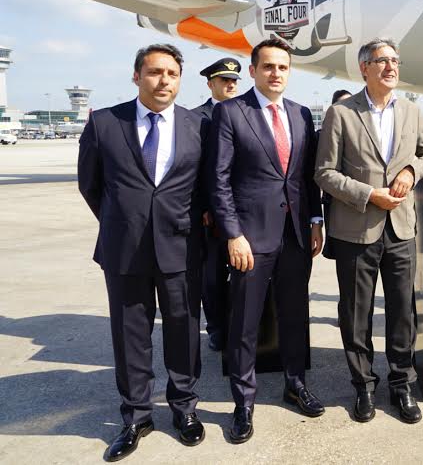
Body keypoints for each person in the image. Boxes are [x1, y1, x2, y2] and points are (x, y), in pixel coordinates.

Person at [78, 43, 206, 461]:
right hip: (124, 250)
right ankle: (136, 416)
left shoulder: (198, 125)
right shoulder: (105, 123)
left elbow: (206, 188)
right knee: (130, 335)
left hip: (181, 246)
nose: (163, 80)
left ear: (179, 79)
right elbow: (90, 184)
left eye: (172, 73)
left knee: (183, 331)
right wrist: (123, 220)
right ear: (137, 76)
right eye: (154, 72)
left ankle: (184, 408)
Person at [315, 37, 423, 424]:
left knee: (403, 312)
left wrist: (412, 170)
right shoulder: (341, 113)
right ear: (364, 69)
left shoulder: (411, 111)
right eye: (382, 60)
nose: (391, 67)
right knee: (356, 314)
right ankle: (363, 386)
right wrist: (369, 194)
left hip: (401, 229)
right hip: (355, 230)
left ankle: (402, 384)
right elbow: (324, 173)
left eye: (395, 60)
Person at [209, 39, 324, 443]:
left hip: (295, 234)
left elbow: (307, 176)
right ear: (253, 71)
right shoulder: (230, 112)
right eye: (269, 66)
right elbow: (218, 179)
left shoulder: (300, 113)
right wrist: (232, 234)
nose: (276, 73)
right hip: (250, 237)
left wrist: (315, 219)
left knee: (294, 314)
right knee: (245, 321)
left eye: (283, 67)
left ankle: (295, 383)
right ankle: (243, 402)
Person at [192, 57, 241, 351]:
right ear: (210, 84)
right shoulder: (196, 118)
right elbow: (193, 169)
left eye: (234, 80)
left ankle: (239, 326)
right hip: (210, 215)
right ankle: (216, 328)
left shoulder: (247, 113)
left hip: (241, 210)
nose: (231, 85)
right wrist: (203, 207)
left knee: (243, 273)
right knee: (211, 276)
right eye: (225, 80)